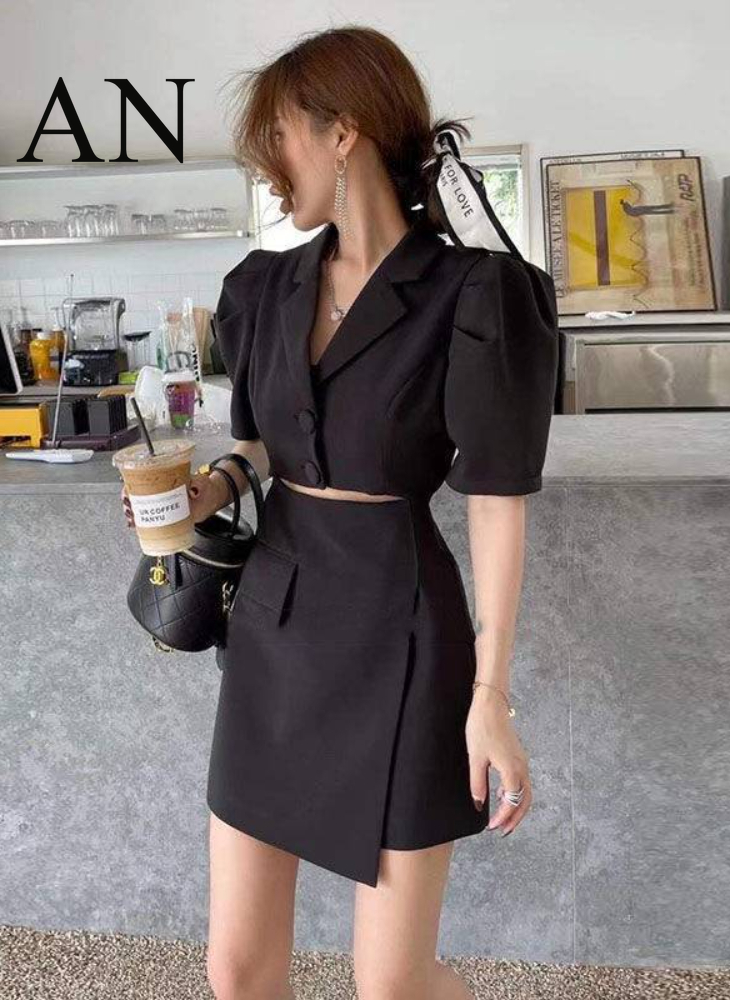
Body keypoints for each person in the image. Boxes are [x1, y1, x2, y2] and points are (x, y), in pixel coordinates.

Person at [122, 25, 558, 1000]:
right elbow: (265, 443)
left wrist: (490, 695)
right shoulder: (261, 287)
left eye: (277, 137)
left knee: (393, 985)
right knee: (237, 970)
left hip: (400, 632)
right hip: (273, 629)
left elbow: (496, 502)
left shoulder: (475, 295)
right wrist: (210, 489)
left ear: (342, 132)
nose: (266, 166)